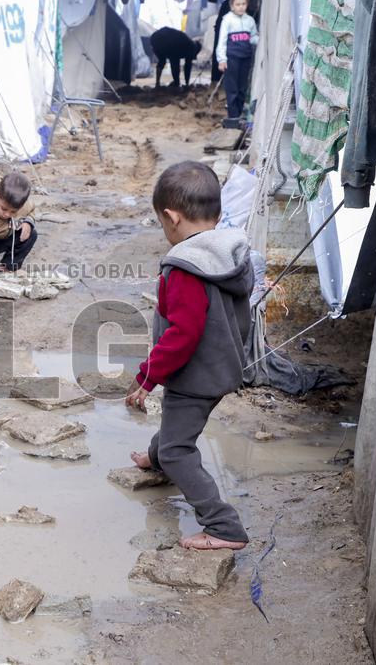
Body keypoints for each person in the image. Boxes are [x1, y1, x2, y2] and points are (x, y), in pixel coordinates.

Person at [125, 161, 253, 551]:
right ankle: (156, 459)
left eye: (161, 224)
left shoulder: (185, 267)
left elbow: (183, 334)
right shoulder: (229, 252)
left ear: (172, 217)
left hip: (194, 374)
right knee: (178, 427)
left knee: (178, 448)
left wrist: (148, 376)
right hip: (222, 365)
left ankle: (223, 526)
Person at [216, 0, 259, 125]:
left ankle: (239, 115)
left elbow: (253, 37)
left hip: (245, 58)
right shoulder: (227, 20)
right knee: (232, 88)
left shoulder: (249, 20)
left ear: (247, 5)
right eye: (238, 4)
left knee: (242, 88)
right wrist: (222, 60)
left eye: (243, 4)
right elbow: (222, 41)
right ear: (232, 6)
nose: (241, 7)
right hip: (232, 58)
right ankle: (233, 116)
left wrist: (261, 39)